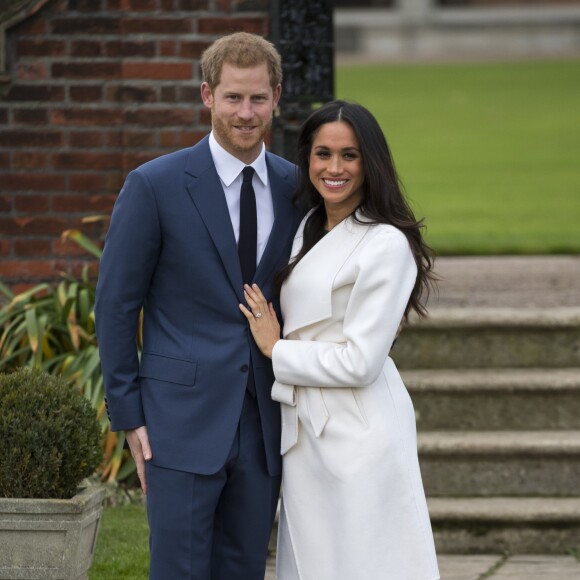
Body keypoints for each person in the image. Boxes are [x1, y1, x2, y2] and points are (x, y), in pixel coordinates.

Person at [95, 32, 302, 580]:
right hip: (176, 422)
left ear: (277, 97)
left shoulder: (294, 188)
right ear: (207, 95)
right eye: (233, 97)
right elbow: (116, 304)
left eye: (258, 98)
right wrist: (129, 413)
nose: (246, 112)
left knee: (244, 570)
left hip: (263, 422)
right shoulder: (155, 185)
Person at [240, 100, 440, 580]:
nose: (334, 168)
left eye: (349, 156)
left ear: (370, 163)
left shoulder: (386, 243)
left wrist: (277, 349)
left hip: (360, 430)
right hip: (306, 429)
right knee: (315, 563)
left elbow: (360, 362)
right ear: (306, 158)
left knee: (368, 562)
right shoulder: (306, 227)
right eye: (322, 154)